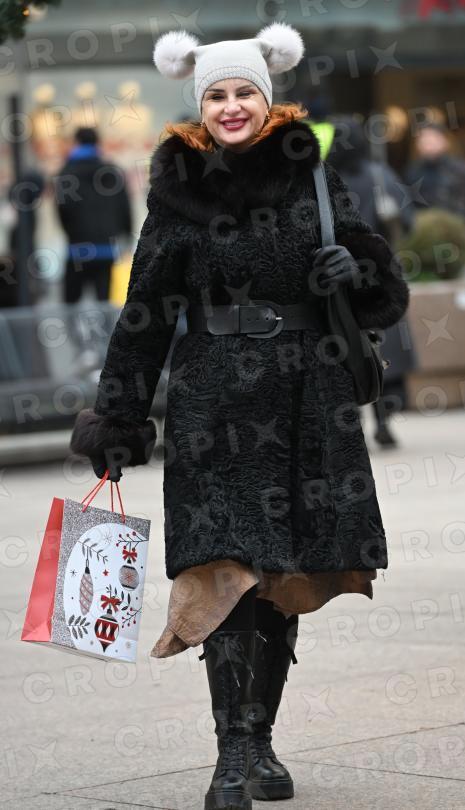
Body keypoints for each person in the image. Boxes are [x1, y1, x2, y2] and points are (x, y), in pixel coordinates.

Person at [69, 23, 410, 810]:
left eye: (244, 92)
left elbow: (379, 282)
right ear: (199, 104)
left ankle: (260, 739)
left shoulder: (312, 175)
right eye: (216, 94)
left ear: (267, 98)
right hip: (211, 404)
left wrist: (354, 268)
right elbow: (145, 314)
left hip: (304, 399)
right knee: (223, 571)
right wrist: (119, 418)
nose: (230, 106)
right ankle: (231, 754)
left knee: (279, 579)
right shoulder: (178, 192)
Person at [325, 116, 417, 447]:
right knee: (377, 347)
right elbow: (407, 219)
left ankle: (352, 425)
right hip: (375, 271)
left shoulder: (321, 178)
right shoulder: (380, 174)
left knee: (340, 349)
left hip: (332, 275)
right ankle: (383, 420)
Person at [54, 126, 132, 304]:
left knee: (71, 304)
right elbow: (124, 207)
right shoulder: (112, 172)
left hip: (77, 250)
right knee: (104, 302)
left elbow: (62, 211)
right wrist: (126, 235)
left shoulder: (66, 173)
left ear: (76, 142)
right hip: (106, 249)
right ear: (97, 143)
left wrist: (71, 233)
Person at [404, 121, 465, 218]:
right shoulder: (413, 172)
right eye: (424, 140)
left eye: (433, 139)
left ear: (445, 141)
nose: (428, 144)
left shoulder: (459, 169)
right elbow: (408, 205)